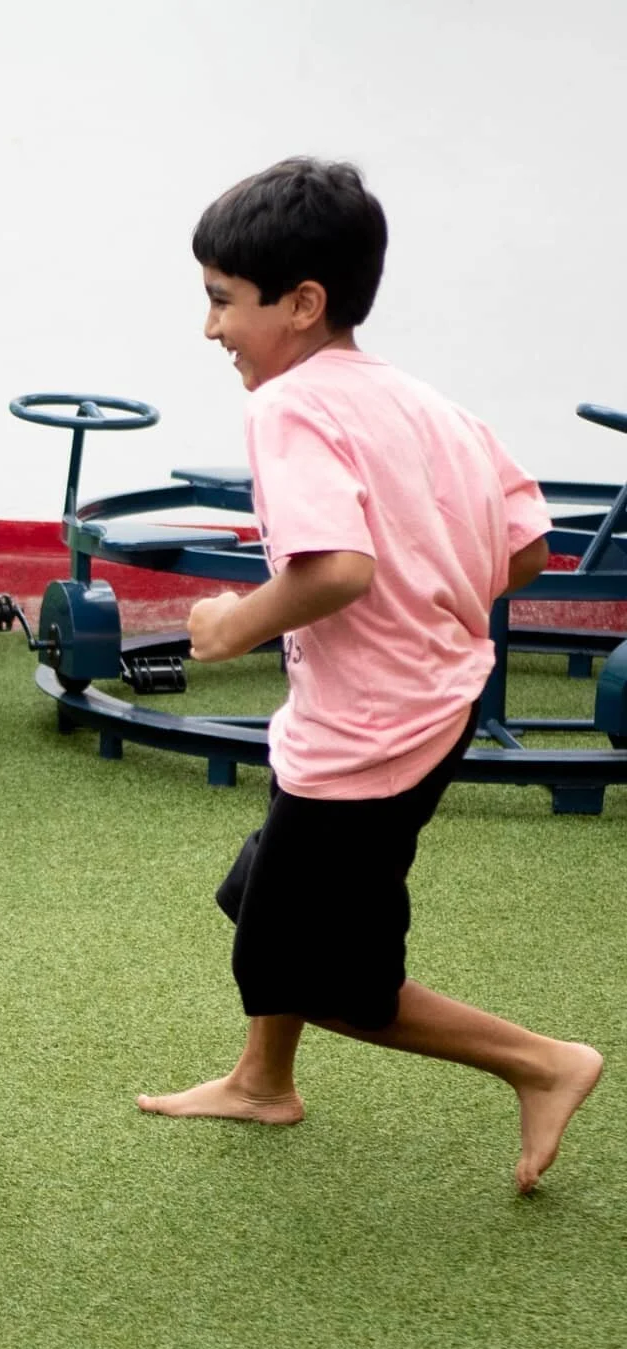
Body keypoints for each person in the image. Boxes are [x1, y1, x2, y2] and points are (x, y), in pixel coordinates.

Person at [134, 158, 601, 1194]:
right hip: (433, 699)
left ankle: (542, 1063)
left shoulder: (289, 407)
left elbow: (336, 568)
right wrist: (432, 601)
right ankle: (263, 1081)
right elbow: (528, 547)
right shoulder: (427, 403)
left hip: (374, 731)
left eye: (222, 302)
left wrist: (230, 626)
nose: (210, 329)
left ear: (302, 305)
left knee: (323, 974)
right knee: (263, 889)